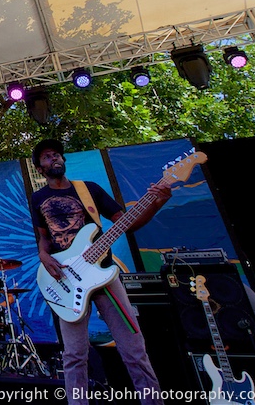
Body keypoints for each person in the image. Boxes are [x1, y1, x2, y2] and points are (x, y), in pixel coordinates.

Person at [30, 138, 171, 405]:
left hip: (104, 272)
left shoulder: (89, 190)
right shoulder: (38, 198)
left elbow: (127, 223)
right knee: (74, 355)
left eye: (57, 154)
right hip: (66, 280)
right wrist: (43, 255)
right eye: (47, 157)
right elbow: (43, 237)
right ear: (39, 168)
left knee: (134, 347)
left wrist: (156, 203)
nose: (55, 158)